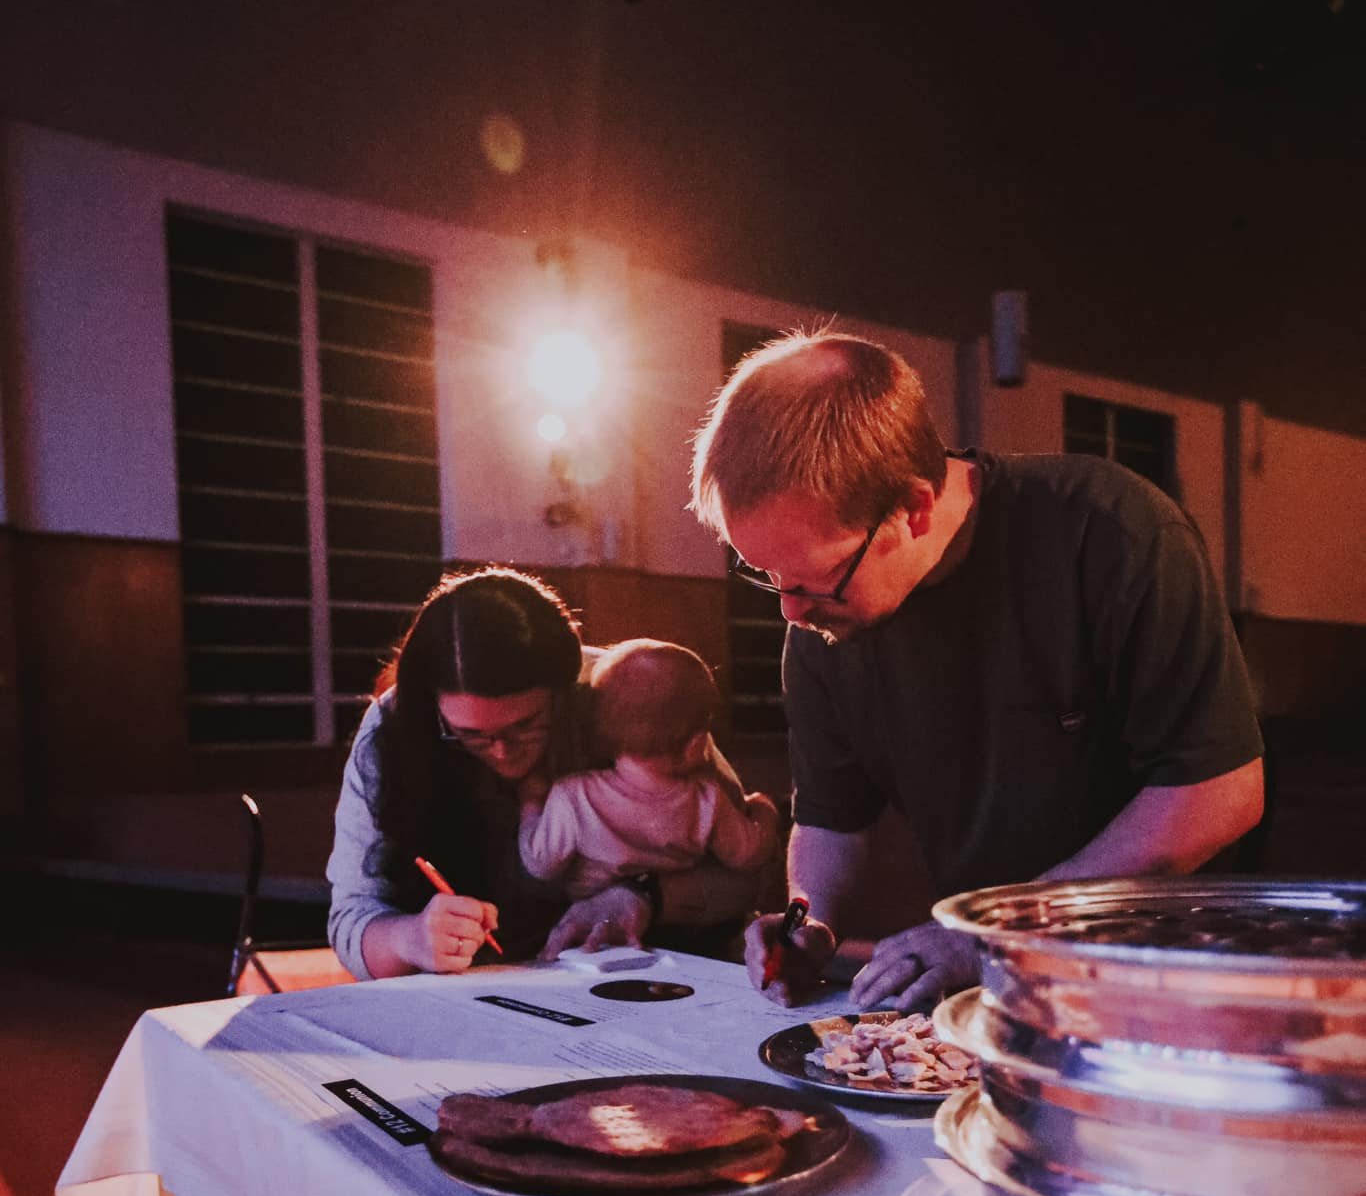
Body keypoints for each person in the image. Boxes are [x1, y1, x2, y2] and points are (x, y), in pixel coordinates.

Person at [688, 331, 1265, 1012]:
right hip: (995, 984)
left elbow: (1218, 794)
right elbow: (831, 818)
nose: (789, 611)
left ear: (914, 509)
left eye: (815, 578)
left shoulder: (1109, 532)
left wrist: (998, 929)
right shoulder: (822, 623)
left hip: (1161, 977)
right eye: (767, 576)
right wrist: (807, 922)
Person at [327, 568, 756, 979]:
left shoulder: (627, 696)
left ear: (563, 689)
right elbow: (351, 918)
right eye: (469, 734)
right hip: (485, 988)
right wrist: (412, 938)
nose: (501, 752)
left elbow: (746, 879)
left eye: (525, 725)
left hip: (653, 972)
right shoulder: (396, 728)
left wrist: (644, 896)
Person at [518, 638, 780, 898]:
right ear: (695, 745)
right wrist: (763, 807)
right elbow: (748, 855)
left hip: (586, 918)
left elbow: (541, 864)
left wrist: (531, 804)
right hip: (672, 915)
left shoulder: (573, 796)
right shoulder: (707, 799)